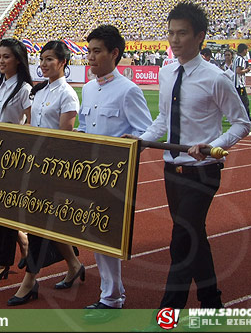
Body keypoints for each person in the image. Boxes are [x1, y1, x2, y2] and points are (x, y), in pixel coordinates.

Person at [130, 2, 250, 309]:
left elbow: (241, 123)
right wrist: (140, 141)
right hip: (173, 170)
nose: (174, 39)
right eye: (170, 33)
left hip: (203, 171)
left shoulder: (216, 78)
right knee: (193, 237)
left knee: (181, 241)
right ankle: (212, 303)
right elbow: (163, 120)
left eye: (182, 33)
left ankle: (167, 314)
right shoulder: (167, 73)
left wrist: (213, 145)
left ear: (200, 37)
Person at [77, 25, 152, 321]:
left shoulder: (128, 91)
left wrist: (121, 151)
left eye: (97, 52)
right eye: (89, 51)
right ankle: (111, 292)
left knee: (106, 236)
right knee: (95, 234)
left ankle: (111, 297)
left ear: (114, 54)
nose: (91, 58)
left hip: (114, 176)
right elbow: (84, 129)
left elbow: (144, 133)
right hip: (88, 173)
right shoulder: (88, 88)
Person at [7, 40, 84, 306]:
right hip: (33, 164)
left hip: (53, 167)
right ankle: (74, 264)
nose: (44, 64)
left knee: (40, 223)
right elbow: (30, 125)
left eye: (50, 59)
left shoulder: (68, 95)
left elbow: (65, 136)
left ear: (63, 62)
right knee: (46, 222)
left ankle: (30, 280)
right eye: (42, 59)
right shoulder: (38, 92)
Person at [0, 38, 32, 285]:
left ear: (18, 60)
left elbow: (32, 125)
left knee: (3, 208)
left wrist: (9, 128)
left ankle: (3, 262)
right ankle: (21, 240)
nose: (1, 61)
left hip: (12, 158)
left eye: (6, 57)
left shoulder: (24, 90)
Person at [232, 43, 251, 126]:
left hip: (236, 84)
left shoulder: (236, 58)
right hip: (239, 84)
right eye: (247, 50)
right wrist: (247, 70)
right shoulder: (240, 59)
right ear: (244, 50)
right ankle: (248, 120)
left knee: (239, 102)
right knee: (245, 102)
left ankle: (236, 118)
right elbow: (238, 71)